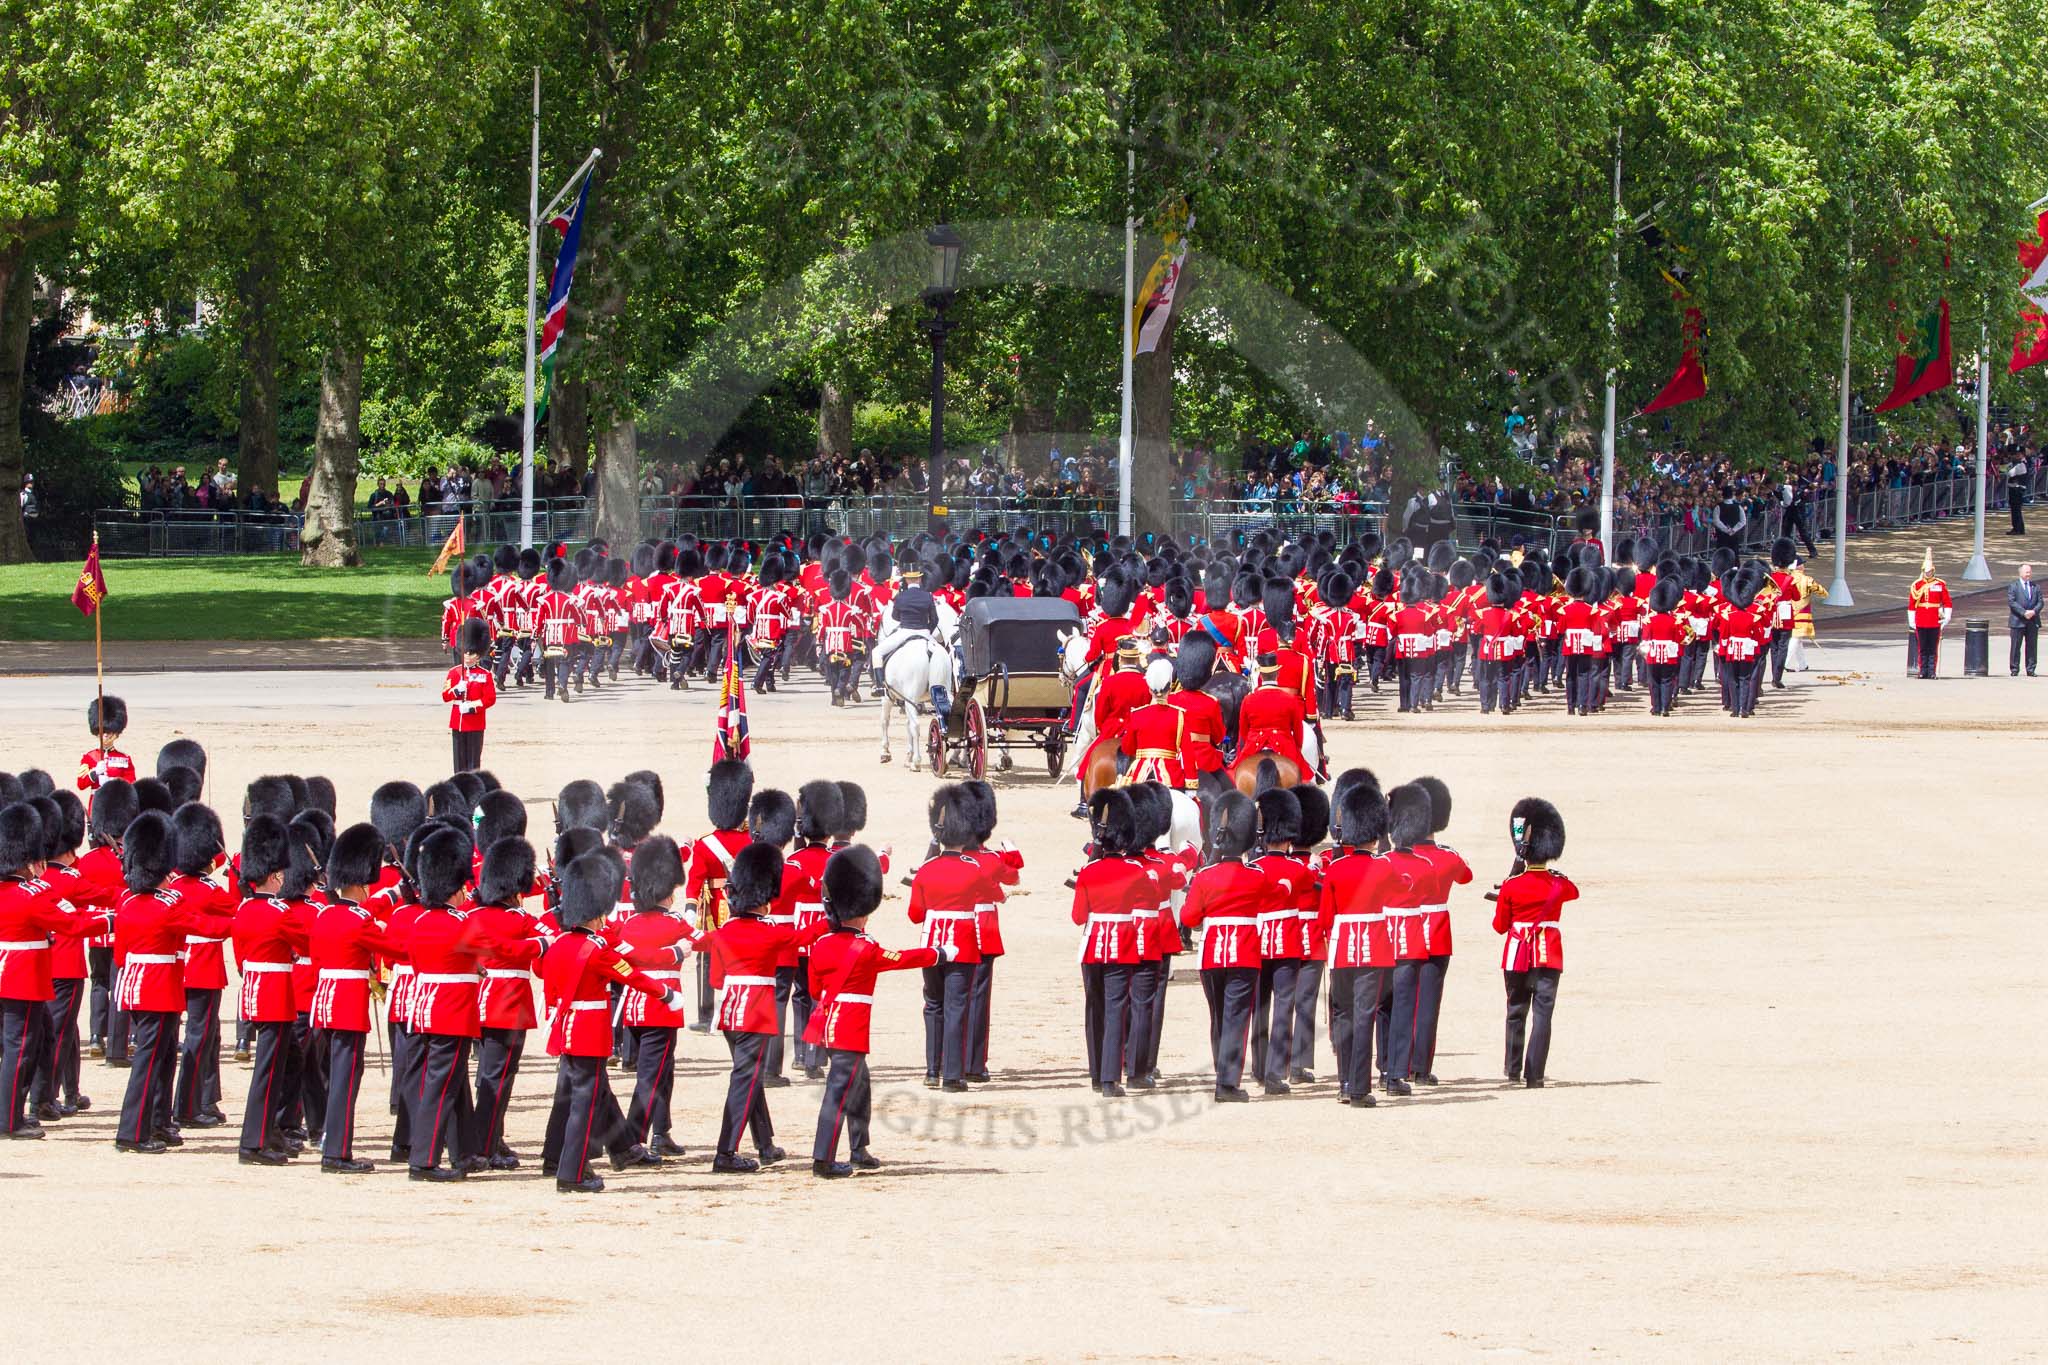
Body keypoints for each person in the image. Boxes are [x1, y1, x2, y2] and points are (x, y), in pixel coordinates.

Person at [806, 845, 944, 1176]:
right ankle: (823, 1159)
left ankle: (858, 1146)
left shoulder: (821, 945)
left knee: (859, 1085)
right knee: (838, 1092)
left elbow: (813, 990)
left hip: (828, 1023)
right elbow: (901, 958)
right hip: (851, 1027)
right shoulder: (865, 948)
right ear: (861, 911)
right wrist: (937, 953)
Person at [1490, 797, 1578, 1088]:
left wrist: (1507, 891)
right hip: (1547, 955)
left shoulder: (1512, 886)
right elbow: (1573, 892)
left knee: (1516, 1011)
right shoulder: (1559, 884)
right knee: (1543, 1016)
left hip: (1517, 954)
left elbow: (1499, 926)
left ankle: (1512, 1068)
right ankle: (1535, 1074)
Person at [442, 619, 496, 772]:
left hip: (475, 722)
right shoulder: (454, 672)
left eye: (470, 653)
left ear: (478, 655)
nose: (466, 655)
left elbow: (489, 699)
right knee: (459, 763)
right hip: (457, 721)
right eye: (465, 652)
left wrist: (472, 706)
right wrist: (456, 690)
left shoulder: (485, 675)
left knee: (473, 762)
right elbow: (445, 696)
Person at [1908, 549, 1952, 680]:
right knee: (1922, 647)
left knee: (1933, 647)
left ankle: (1932, 671)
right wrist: (1911, 620)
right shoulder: (1917, 585)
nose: (1928, 573)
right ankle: (1922, 671)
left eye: (1930, 571)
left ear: (1933, 570)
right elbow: (1912, 604)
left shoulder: (1939, 584)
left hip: (1934, 620)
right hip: (1921, 619)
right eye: (1926, 571)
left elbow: (1947, 602)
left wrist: (1947, 616)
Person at [78, 695, 135, 792]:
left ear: (116, 734)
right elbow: (81, 784)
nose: (105, 735)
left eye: (109, 731)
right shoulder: (89, 757)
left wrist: (112, 782)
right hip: (96, 803)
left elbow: (131, 784)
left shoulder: (124, 759)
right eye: (103, 731)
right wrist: (95, 773)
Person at [2010, 563, 2041, 676]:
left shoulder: (2035, 586)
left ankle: (2031, 669)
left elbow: (2040, 602)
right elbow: (2012, 602)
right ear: (2021, 573)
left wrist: (2033, 611)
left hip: (2033, 621)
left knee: (2032, 646)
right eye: (2027, 572)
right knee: (2015, 646)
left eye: (2030, 572)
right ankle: (2014, 669)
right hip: (2018, 621)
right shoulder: (2014, 586)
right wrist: (2024, 613)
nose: (2029, 574)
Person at [2006, 455, 2028, 535]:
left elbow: (2010, 473)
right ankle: (2020, 528)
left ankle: (2017, 529)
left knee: (2016, 510)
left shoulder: (2020, 465)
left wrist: (2010, 467)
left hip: (2016, 490)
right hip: (2016, 490)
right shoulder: (2020, 465)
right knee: (2017, 510)